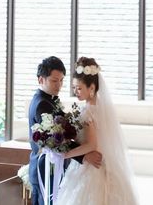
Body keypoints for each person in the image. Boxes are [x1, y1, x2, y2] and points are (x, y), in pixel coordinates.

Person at [55, 57, 139, 205]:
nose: (75, 92)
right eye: (74, 88)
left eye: (79, 88)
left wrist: (65, 154)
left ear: (92, 88)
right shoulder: (100, 109)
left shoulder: (87, 112)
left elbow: (92, 145)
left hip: (90, 167)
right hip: (100, 163)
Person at [29, 56, 103, 205]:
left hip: (54, 166)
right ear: (41, 80)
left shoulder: (50, 99)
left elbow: (65, 130)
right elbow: (56, 140)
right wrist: (84, 155)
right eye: (54, 81)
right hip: (45, 168)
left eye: (61, 80)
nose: (59, 85)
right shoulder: (42, 104)